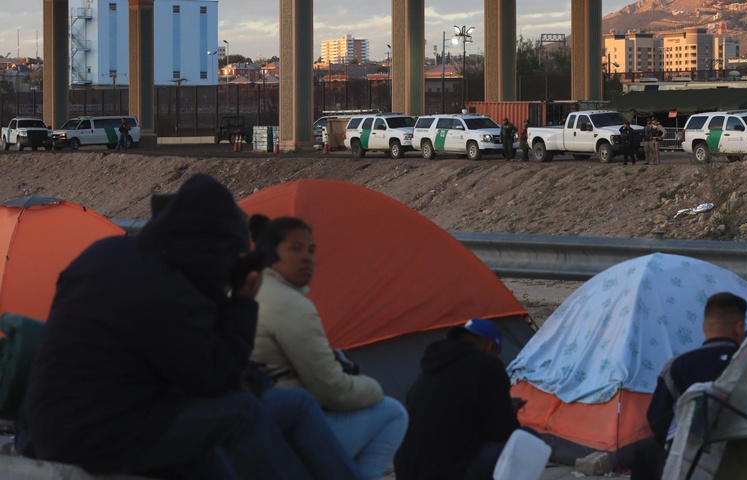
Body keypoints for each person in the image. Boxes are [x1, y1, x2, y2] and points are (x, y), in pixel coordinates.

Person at [17, 174, 361, 480]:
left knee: (292, 404)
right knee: (239, 414)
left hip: (69, 422)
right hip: (96, 434)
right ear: (212, 246)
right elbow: (215, 381)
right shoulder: (169, 288)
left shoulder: (110, 252)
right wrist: (240, 303)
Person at [250, 215, 408, 480]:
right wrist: (375, 389)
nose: (307, 258)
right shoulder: (291, 305)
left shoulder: (248, 288)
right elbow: (332, 390)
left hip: (251, 423)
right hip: (283, 429)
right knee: (392, 412)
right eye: (295, 249)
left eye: (311, 250)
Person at [634, 292, 747, 480]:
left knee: (644, 455)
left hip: (687, 461)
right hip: (745, 457)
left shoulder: (677, 366)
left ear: (704, 327)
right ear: (739, 327)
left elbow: (657, 419)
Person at [394, 318, 523, 480]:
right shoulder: (488, 365)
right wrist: (508, 411)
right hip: (446, 473)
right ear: (490, 347)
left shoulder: (432, 366)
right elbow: (502, 430)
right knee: (525, 437)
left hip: (405, 470)